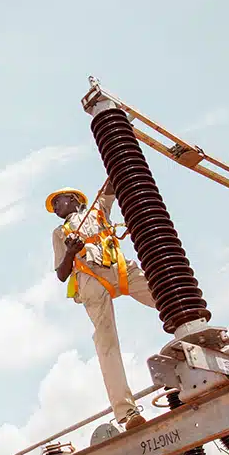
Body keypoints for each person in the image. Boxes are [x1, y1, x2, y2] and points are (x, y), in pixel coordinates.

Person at [48, 183, 156, 430]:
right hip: (91, 280)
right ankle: (127, 412)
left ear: (73, 198)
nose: (55, 208)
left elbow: (112, 184)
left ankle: (194, 328)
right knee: (106, 342)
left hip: (120, 269)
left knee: (164, 294)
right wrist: (71, 252)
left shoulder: (98, 209)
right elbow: (62, 275)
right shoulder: (60, 233)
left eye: (57, 201)